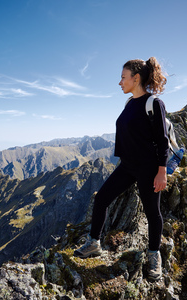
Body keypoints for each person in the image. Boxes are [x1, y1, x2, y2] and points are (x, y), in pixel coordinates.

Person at [74, 57, 169, 281]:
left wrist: (161, 172)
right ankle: (94, 243)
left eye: (123, 77)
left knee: (152, 213)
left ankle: (154, 255)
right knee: (101, 199)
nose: (120, 82)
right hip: (127, 166)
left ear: (136, 79)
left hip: (147, 169)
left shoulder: (154, 104)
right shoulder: (129, 104)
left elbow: (163, 140)